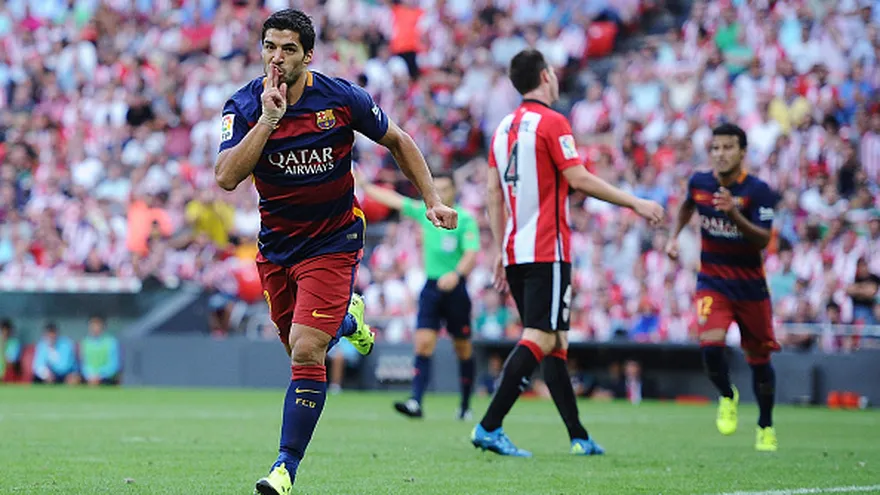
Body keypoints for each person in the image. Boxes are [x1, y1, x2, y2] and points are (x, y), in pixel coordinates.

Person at [213, 10, 457, 495]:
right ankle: (348, 320)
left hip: (333, 240)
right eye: (270, 47)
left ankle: (284, 468)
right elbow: (225, 176)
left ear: (308, 54)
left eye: (287, 49)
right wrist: (268, 119)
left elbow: (397, 140)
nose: (276, 58)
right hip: (277, 249)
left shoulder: (340, 97)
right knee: (298, 348)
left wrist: (431, 198)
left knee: (306, 349)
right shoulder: (242, 105)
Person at [471, 48, 665, 457]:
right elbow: (577, 177)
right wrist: (636, 202)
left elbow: (492, 192)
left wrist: (498, 244)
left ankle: (578, 435)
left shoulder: (503, 127)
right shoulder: (553, 122)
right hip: (548, 248)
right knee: (541, 336)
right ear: (545, 76)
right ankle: (489, 426)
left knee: (555, 341)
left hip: (516, 249)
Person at [666, 123, 781, 452]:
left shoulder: (758, 191)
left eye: (728, 147)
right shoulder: (700, 183)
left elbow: (762, 239)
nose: (720, 154)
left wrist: (734, 213)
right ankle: (728, 395)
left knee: (760, 361)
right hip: (713, 282)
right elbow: (688, 205)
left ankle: (765, 425)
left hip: (751, 289)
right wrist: (674, 237)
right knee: (710, 348)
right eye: (715, 148)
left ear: (742, 152)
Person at [356, 171, 481, 420]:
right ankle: (416, 401)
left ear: (454, 191)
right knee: (423, 344)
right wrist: (367, 186)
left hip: (456, 288)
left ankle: (465, 405)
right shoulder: (428, 215)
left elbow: (471, 254)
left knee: (463, 348)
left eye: (445, 188)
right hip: (432, 288)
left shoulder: (465, 219)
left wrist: (456, 274)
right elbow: (395, 200)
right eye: (437, 188)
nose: (441, 193)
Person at [79, 315, 121, 386]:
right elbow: (83, 364)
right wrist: (90, 375)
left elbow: (114, 365)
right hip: (89, 377)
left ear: (103, 326)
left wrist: (100, 375)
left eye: (98, 325)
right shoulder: (85, 342)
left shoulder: (111, 342)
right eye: (93, 325)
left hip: (106, 378)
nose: (95, 328)